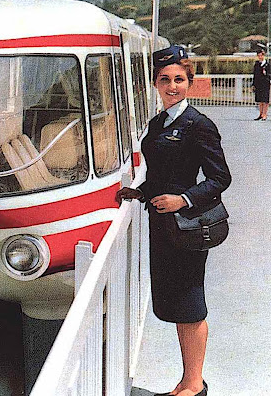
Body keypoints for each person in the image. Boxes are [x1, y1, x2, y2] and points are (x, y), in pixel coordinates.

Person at [115, 45, 231, 396]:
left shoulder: (198, 125)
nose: (172, 86)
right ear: (155, 83)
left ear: (190, 83)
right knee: (178, 301)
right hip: (163, 225)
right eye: (164, 79)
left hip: (188, 226)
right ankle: (186, 380)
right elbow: (163, 170)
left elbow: (220, 178)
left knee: (190, 299)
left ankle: (194, 384)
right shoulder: (159, 122)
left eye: (179, 79)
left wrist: (183, 199)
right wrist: (141, 191)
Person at [252, 48, 270, 120]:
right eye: (258, 56)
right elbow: (255, 75)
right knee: (260, 100)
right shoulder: (256, 64)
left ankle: (265, 114)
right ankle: (260, 114)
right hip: (258, 84)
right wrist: (253, 84)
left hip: (265, 83)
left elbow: (270, 74)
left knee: (265, 100)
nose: (260, 57)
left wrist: (266, 74)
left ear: (263, 55)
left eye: (261, 55)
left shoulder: (267, 64)